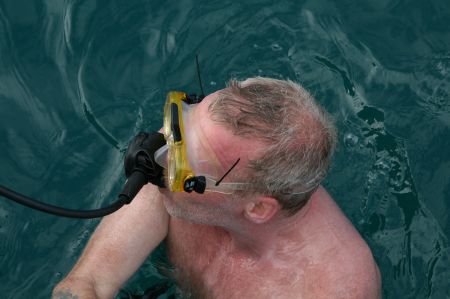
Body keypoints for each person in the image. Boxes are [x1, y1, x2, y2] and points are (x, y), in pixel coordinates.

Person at [53, 77, 381, 298]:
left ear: (257, 208)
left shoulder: (330, 288)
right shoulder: (194, 152)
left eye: (182, 165)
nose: (159, 158)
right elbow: (87, 283)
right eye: (177, 124)